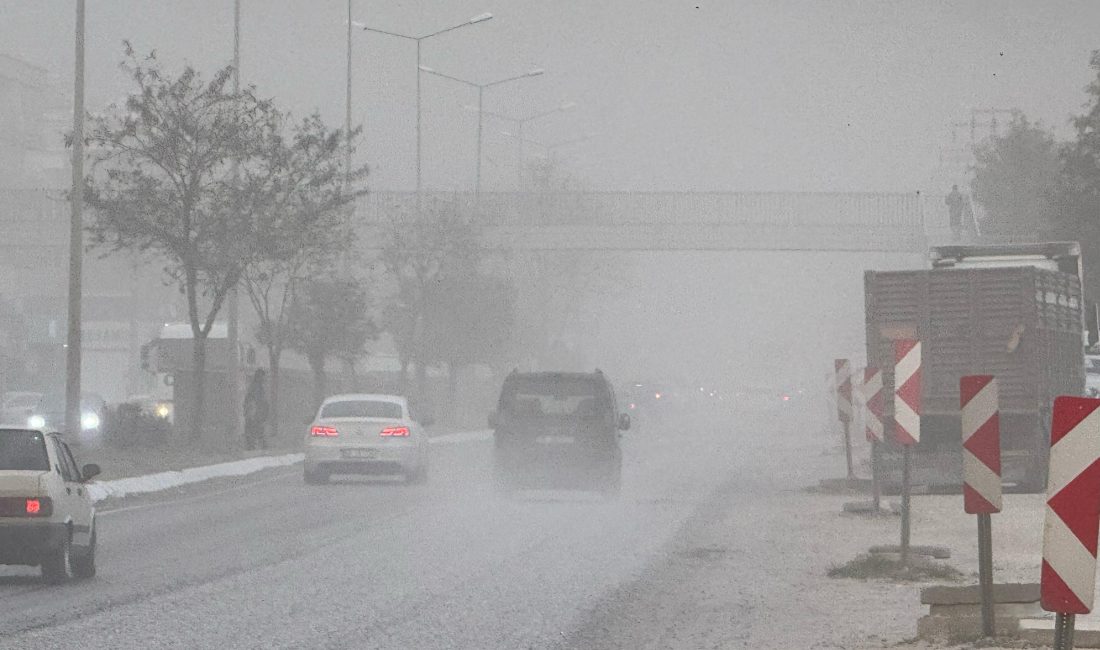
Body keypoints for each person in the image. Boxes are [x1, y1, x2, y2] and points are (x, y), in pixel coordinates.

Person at [243, 369, 269, 450]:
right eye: (262, 377)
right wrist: (252, 411)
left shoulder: (257, 387)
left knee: (256, 429)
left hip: (256, 413)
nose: (264, 379)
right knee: (254, 428)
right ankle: (254, 445)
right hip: (255, 413)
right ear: (259, 377)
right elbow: (253, 400)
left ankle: (256, 445)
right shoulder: (256, 387)